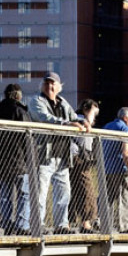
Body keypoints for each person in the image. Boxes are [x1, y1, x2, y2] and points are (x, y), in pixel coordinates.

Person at [28, 72, 89, 234]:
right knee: (41, 192)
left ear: (59, 86)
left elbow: (74, 117)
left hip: (62, 155)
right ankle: (37, 225)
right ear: (42, 85)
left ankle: (61, 225)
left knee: (64, 193)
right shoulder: (36, 101)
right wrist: (67, 123)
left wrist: (83, 121)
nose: (50, 86)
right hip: (44, 154)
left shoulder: (63, 102)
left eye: (53, 83)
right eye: (47, 83)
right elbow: (43, 117)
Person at [0, 83, 32, 235]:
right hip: (19, 161)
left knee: (5, 194)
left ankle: (7, 224)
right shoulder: (21, 112)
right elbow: (28, 139)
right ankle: (22, 226)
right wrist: (32, 161)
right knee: (24, 193)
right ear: (18, 96)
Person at [102, 107, 128, 233]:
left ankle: (102, 224)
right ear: (126, 118)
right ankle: (125, 227)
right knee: (125, 198)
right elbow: (125, 151)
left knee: (107, 198)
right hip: (120, 168)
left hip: (106, 168)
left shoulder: (106, 126)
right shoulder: (125, 129)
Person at [70, 98, 100, 233]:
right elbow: (84, 142)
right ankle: (86, 223)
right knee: (87, 190)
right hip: (79, 159)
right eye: (94, 113)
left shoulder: (75, 119)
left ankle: (68, 223)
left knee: (73, 191)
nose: (95, 117)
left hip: (73, 158)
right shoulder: (82, 121)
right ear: (86, 110)